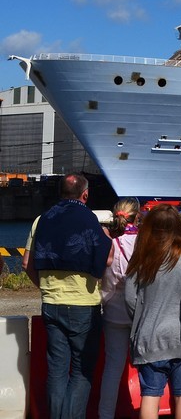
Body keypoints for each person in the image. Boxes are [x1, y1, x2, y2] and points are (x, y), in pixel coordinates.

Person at [26, 173, 113, 419]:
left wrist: (44, 287)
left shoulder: (41, 220)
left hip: (51, 304)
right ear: (85, 195)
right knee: (81, 371)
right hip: (84, 305)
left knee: (56, 371)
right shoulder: (91, 220)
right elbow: (106, 259)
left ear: (60, 192)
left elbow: (26, 264)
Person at [125, 204, 181, 419]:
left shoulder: (142, 254)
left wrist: (142, 318)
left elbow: (129, 297)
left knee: (150, 394)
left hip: (149, 338)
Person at [98, 198, 141, 419]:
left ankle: (105, 415)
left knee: (112, 369)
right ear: (137, 216)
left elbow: (104, 281)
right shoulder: (145, 244)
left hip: (114, 311)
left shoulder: (110, 244)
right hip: (140, 314)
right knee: (146, 368)